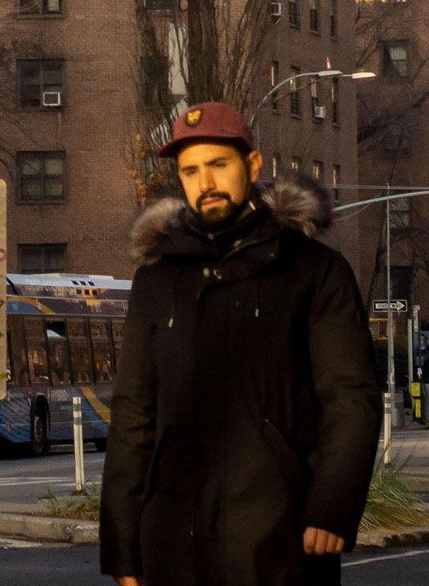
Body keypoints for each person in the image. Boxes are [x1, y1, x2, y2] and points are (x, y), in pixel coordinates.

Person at [101, 102, 378, 586]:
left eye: (218, 165)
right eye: (190, 171)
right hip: (172, 542)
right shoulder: (157, 280)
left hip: (280, 536)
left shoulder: (312, 271)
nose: (204, 182)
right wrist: (124, 546)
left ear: (252, 166)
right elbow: (133, 417)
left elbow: (350, 399)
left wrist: (332, 505)